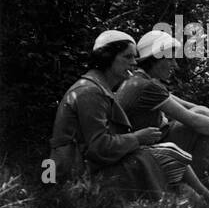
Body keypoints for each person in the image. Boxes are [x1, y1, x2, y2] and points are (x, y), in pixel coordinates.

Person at [49, 30, 169, 197]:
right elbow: (99, 148)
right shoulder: (89, 91)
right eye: (127, 57)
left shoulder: (99, 87)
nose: (134, 63)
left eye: (134, 57)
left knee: (155, 154)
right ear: (106, 57)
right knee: (147, 157)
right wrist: (137, 138)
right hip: (75, 174)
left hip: (84, 166)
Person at [116, 30, 209, 185]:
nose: (174, 65)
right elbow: (193, 120)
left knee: (204, 113)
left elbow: (184, 105)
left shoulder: (141, 79)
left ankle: (202, 178)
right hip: (142, 151)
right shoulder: (147, 86)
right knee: (202, 118)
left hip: (145, 145)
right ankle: (198, 183)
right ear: (155, 59)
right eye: (170, 59)